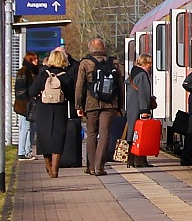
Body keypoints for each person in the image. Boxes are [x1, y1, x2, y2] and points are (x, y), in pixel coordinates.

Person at [75, 37, 123, 176]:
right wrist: (120, 105)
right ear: (103, 48)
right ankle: (99, 167)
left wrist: (78, 105)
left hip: (91, 104)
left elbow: (80, 86)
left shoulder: (85, 63)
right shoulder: (113, 62)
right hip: (110, 104)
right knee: (104, 134)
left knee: (91, 134)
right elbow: (120, 86)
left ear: (91, 48)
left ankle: (90, 166)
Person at [28, 49, 76, 178]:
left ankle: (48, 167)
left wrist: (40, 95)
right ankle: (55, 169)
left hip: (43, 109)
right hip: (60, 109)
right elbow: (72, 96)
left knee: (44, 138)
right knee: (58, 138)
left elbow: (32, 91)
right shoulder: (66, 76)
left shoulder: (43, 74)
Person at [125, 54, 155, 167]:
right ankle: (139, 160)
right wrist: (144, 110)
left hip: (132, 105)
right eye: (149, 63)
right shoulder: (142, 74)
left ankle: (131, 159)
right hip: (139, 107)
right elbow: (143, 93)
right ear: (145, 63)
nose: (150, 66)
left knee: (134, 132)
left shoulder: (134, 72)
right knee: (141, 133)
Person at [13, 51, 40, 160]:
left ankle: (28, 151)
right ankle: (22, 151)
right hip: (25, 106)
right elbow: (20, 90)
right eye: (34, 59)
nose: (37, 61)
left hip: (32, 105)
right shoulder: (23, 72)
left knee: (32, 128)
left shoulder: (34, 71)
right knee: (25, 128)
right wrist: (28, 99)